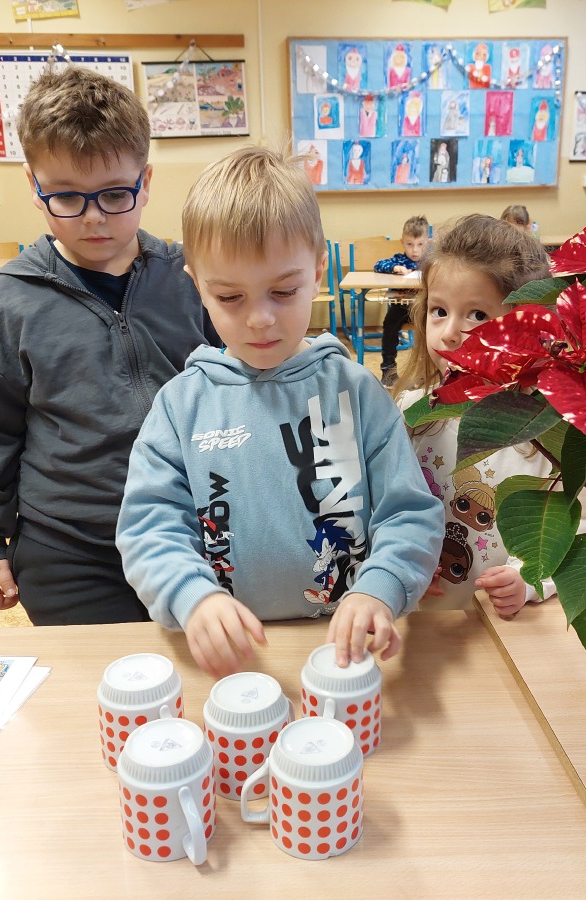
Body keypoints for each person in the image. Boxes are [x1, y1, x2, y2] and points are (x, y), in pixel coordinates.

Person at [116, 146, 444, 678]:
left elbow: (408, 512)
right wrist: (191, 595)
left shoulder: (358, 392)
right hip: (233, 657)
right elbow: (150, 527)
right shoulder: (180, 406)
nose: (260, 319)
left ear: (317, 272)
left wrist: (380, 588)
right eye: (230, 297)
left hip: (346, 652)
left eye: (283, 291)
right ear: (198, 285)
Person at [0, 66, 220, 626]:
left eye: (115, 194)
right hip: (69, 548)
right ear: (33, 185)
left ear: (146, 181)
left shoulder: (192, 277)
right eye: (67, 196)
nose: (94, 218)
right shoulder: (12, 299)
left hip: (195, 531)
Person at [392, 214, 586, 617]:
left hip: (499, 628)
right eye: (439, 310)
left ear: (527, 326)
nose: (449, 333)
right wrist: (397, 561)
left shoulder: (554, 431)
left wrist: (530, 578)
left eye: (478, 315)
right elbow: (382, 505)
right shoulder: (411, 412)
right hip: (419, 624)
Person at [372, 215, 429, 388]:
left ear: (427, 243)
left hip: (423, 308)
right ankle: (388, 369)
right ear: (402, 242)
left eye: (420, 244)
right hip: (401, 307)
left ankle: (425, 371)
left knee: (433, 328)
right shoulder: (398, 260)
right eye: (410, 244)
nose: (415, 250)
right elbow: (378, 265)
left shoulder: (430, 262)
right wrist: (395, 268)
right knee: (389, 324)